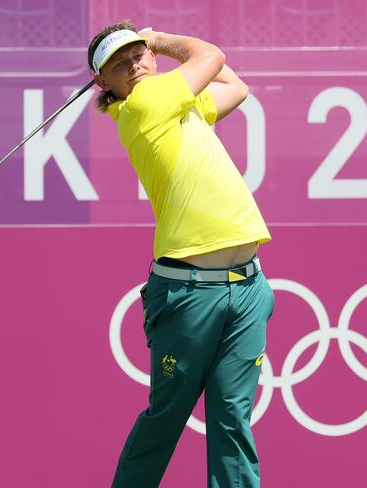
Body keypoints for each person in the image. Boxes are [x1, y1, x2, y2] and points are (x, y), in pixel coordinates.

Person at [87, 20, 274, 488]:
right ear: (104, 84)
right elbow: (211, 57)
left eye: (137, 53)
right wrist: (157, 41)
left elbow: (237, 86)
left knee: (233, 419)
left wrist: (151, 53)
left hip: (246, 286)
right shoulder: (146, 102)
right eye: (119, 63)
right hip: (190, 295)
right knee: (167, 418)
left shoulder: (177, 108)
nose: (134, 63)